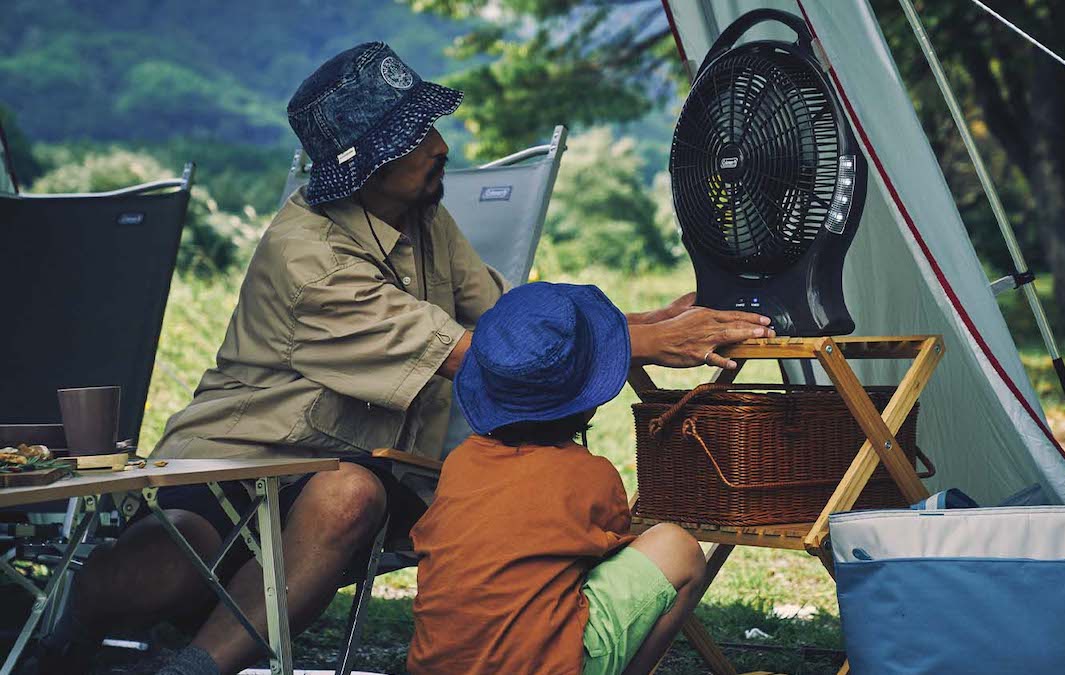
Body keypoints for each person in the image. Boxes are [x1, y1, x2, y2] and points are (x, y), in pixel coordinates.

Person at [38, 42, 772, 675]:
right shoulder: (310, 259)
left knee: (352, 491)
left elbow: (507, 318)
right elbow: (479, 356)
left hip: (362, 465)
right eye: (414, 135)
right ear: (364, 167)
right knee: (171, 566)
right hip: (241, 451)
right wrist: (643, 344)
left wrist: (639, 320)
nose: (439, 146)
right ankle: (50, 616)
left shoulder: (424, 212)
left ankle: (197, 665)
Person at [409, 282, 706, 675]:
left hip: (434, 667)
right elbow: (608, 552)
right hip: (543, 666)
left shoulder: (460, 462)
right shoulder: (591, 474)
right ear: (588, 400)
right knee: (677, 547)